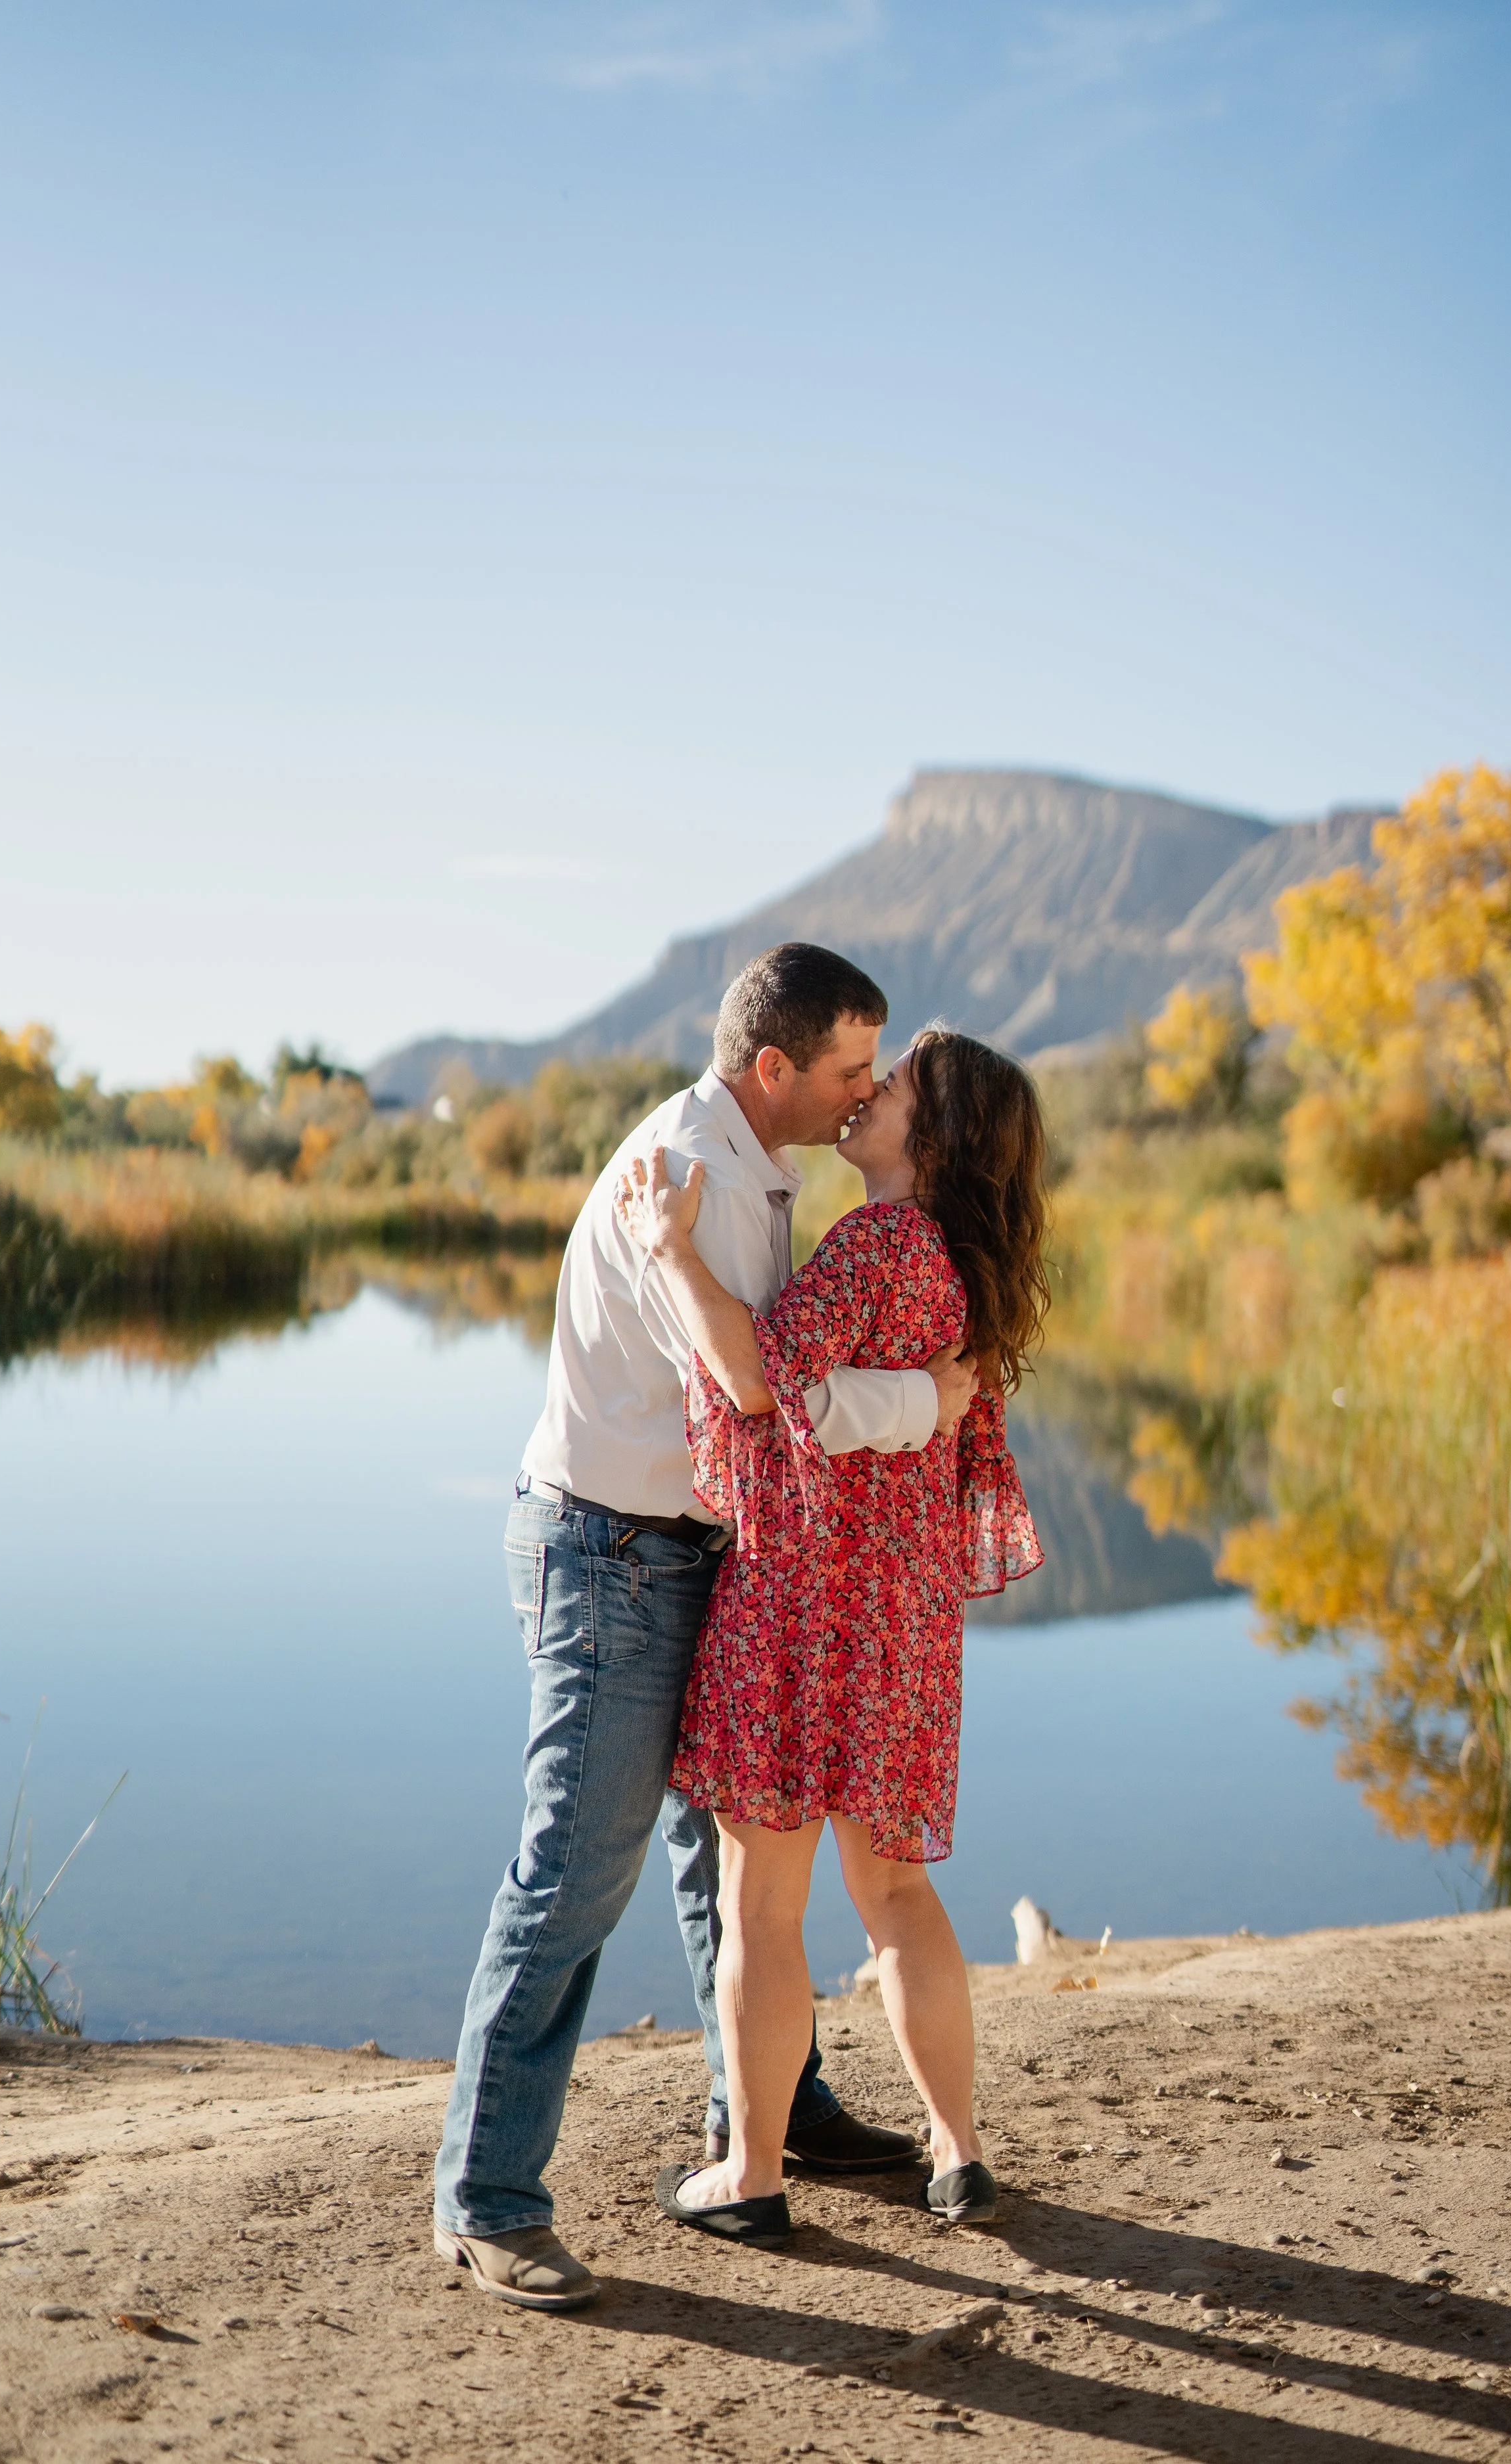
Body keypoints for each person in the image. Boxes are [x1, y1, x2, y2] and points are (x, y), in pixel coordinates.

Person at [432, 946, 980, 2311]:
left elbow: (788, 1392)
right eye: (854, 1065)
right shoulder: (705, 1179)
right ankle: (488, 2198)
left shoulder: (762, 1167)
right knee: (575, 1873)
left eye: (884, 1073)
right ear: (776, 1068)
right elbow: (757, 1394)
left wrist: (915, 1397)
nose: (868, 1089)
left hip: (691, 1557)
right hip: (613, 1554)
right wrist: (928, 1404)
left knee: (721, 1869)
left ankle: (772, 2116)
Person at [616, 1028, 1047, 2248]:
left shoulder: (877, 1244)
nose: (867, 1093)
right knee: (899, 1895)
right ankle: (959, 2154)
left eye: (895, 1083)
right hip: (902, 1620)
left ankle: (750, 2172)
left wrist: (669, 1250)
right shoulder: (961, 1268)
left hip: (806, 1604)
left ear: (939, 1132)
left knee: (761, 1906)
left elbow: (752, 1376)